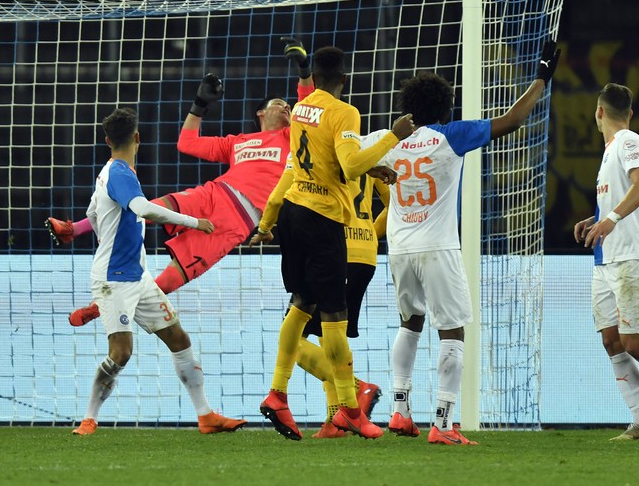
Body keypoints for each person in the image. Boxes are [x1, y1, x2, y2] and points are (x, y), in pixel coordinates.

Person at [366, 40, 561, 446]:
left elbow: (346, 153)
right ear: (444, 109)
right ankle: (442, 423)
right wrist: (542, 77)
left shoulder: (388, 139)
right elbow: (511, 120)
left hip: (399, 247)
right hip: (438, 246)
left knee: (410, 324)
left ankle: (399, 413)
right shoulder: (450, 135)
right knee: (452, 331)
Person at [48, 39, 292, 326]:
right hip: (214, 194)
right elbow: (187, 143)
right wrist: (199, 104)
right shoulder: (238, 142)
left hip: (237, 221)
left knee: (168, 281)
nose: (287, 107)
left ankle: (100, 307)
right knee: (142, 210)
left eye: (289, 105)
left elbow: (311, 105)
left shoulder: (294, 138)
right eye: (280, 104)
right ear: (261, 113)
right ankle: (73, 229)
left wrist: (302, 68)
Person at [250, 45, 415, 441]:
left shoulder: (302, 109)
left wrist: (267, 223)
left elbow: (324, 164)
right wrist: (394, 135)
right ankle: (350, 408)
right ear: (344, 79)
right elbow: (352, 165)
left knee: (300, 307)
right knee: (333, 320)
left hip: (294, 213)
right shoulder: (346, 112)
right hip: (324, 222)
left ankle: (278, 392)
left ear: (317, 79)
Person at [71, 107, 247, 436]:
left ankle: (206, 416)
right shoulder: (121, 175)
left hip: (139, 278)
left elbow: (93, 212)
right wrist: (195, 222)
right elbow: (143, 209)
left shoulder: (111, 172)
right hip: (113, 280)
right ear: (138, 138)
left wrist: (97, 235)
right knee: (121, 353)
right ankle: (89, 417)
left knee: (179, 339)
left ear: (107, 140)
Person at [573, 83, 639, 441]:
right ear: (630, 110)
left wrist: (611, 220)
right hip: (606, 262)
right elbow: (622, 199)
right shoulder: (610, 151)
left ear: (599, 112)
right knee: (611, 340)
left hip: (631, 260)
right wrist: (597, 219)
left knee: (635, 344)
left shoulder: (627, 140)